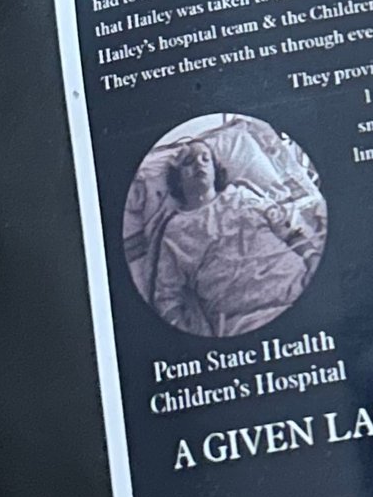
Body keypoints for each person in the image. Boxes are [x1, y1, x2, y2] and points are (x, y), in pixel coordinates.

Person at [124, 120, 321, 336]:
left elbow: (290, 231)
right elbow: (166, 298)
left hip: (298, 285)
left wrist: (312, 259)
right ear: (178, 180)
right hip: (245, 318)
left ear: (215, 170)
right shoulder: (174, 230)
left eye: (205, 159)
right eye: (189, 162)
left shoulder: (242, 195)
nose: (199, 164)